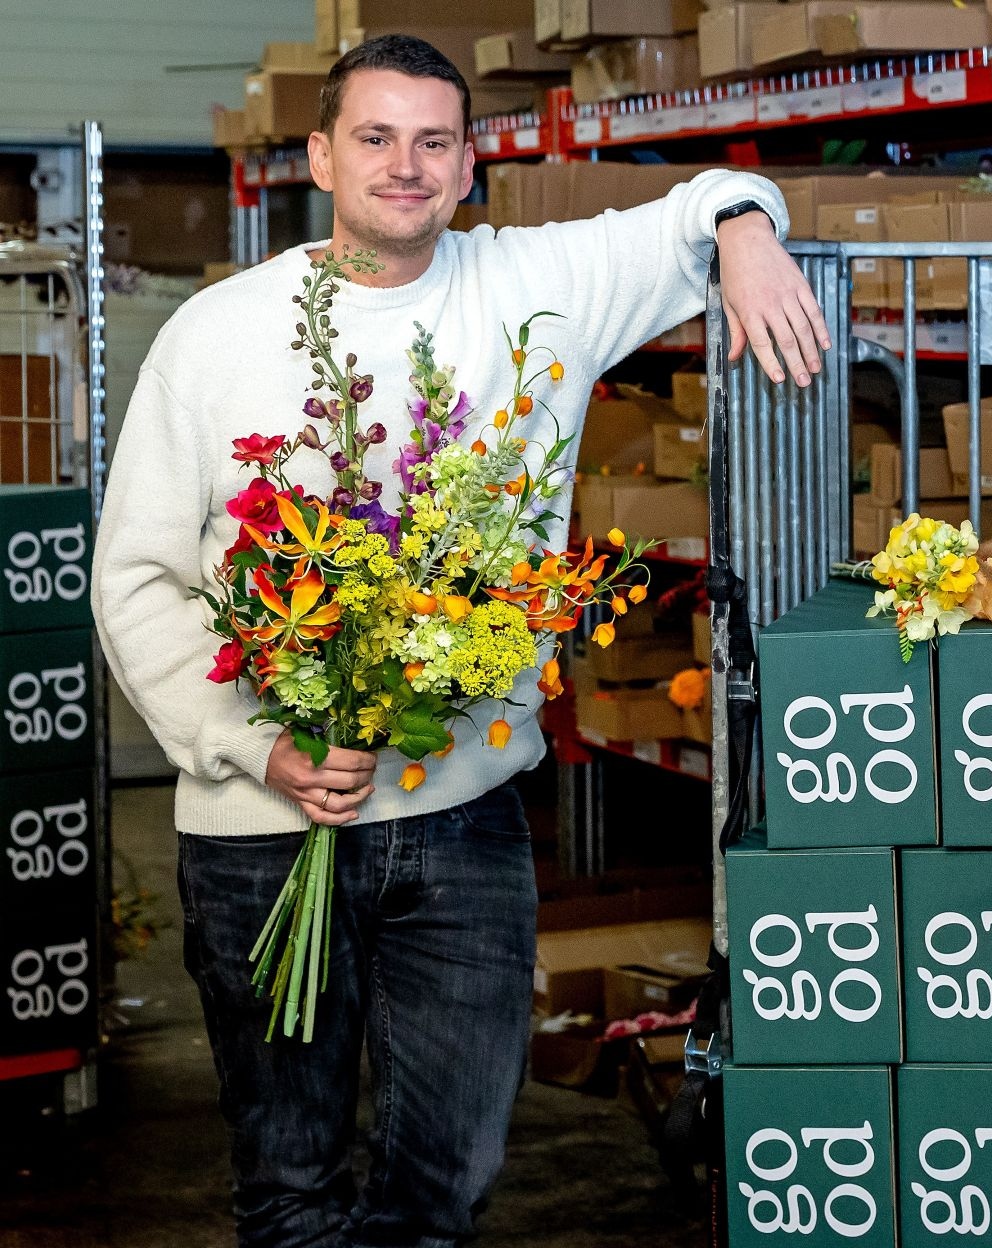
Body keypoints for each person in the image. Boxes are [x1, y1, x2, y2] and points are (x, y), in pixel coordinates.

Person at [92, 34, 826, 1248]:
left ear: (470, 161)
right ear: (320, 154)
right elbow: (138, 578)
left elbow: (706, 204)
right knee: (288, 1184)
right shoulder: (219, 334)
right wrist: (252, 746)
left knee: (449, 1179)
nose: (406, 166)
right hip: (264, 834)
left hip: (463, 819)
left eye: (435, 141)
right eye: (375, 138)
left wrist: (746, 232)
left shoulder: (534, 283)